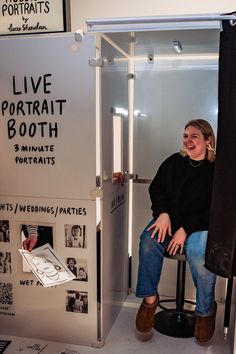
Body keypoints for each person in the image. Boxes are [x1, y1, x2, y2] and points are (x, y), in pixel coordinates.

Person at [135, 119, 217, 343]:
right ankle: (150, 299)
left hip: (201, 226)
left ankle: (205, 310)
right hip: (170, 221)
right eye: (185, 136)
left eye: (194, 136)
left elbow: (217, 210)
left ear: (208, 140)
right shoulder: (174, 161)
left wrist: (186, 229)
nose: (187, 141)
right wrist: (162, 213)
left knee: (200, 251)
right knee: (148, 241)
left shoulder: (218, 169)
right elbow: (157, 188)